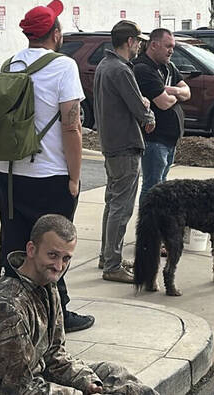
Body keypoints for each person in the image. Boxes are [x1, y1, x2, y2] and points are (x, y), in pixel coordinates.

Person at [0, 214, 158, 395]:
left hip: (34, 381)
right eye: (52, 255)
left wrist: (88, 383)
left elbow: (54, 355)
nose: (59, 266)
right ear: (31, 249)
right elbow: (18, 389)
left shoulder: (48, 286)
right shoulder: (5, 308)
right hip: (2, 390)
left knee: (114, 375)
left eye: (66, 258)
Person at [0, 0, 93, 332]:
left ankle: (7, 312)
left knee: (15, 242)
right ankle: (56, 315)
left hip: (8, 171)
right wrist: (75, 177)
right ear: (55, 33)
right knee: (55, 248)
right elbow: (71, 126)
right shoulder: (63, 66)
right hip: (49, 174)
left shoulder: (10, 64)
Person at [94, 20, 156, 284]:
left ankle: (107, 255)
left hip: (111, 143)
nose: (139, 46)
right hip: (125, 144)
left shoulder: (104, 66)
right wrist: (148, 110)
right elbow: (140, 109)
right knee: (122, 206)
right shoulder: (121, 70)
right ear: (129, 41)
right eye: (138, 41)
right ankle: (112, 264)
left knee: (112, 202)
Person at [132, 28, 190, 204]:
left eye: (173, 46)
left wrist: (172, 90)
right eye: (168, 46)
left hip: (169, 139)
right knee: (152, 186)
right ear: (154, 45)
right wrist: (175, 96)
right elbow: (163, 103)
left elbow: (187, 92)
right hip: (154, 140)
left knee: (162, 186)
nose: (172, 50)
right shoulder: (143, 68)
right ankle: (147, 226)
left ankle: (157, 224)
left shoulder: (168, 67)